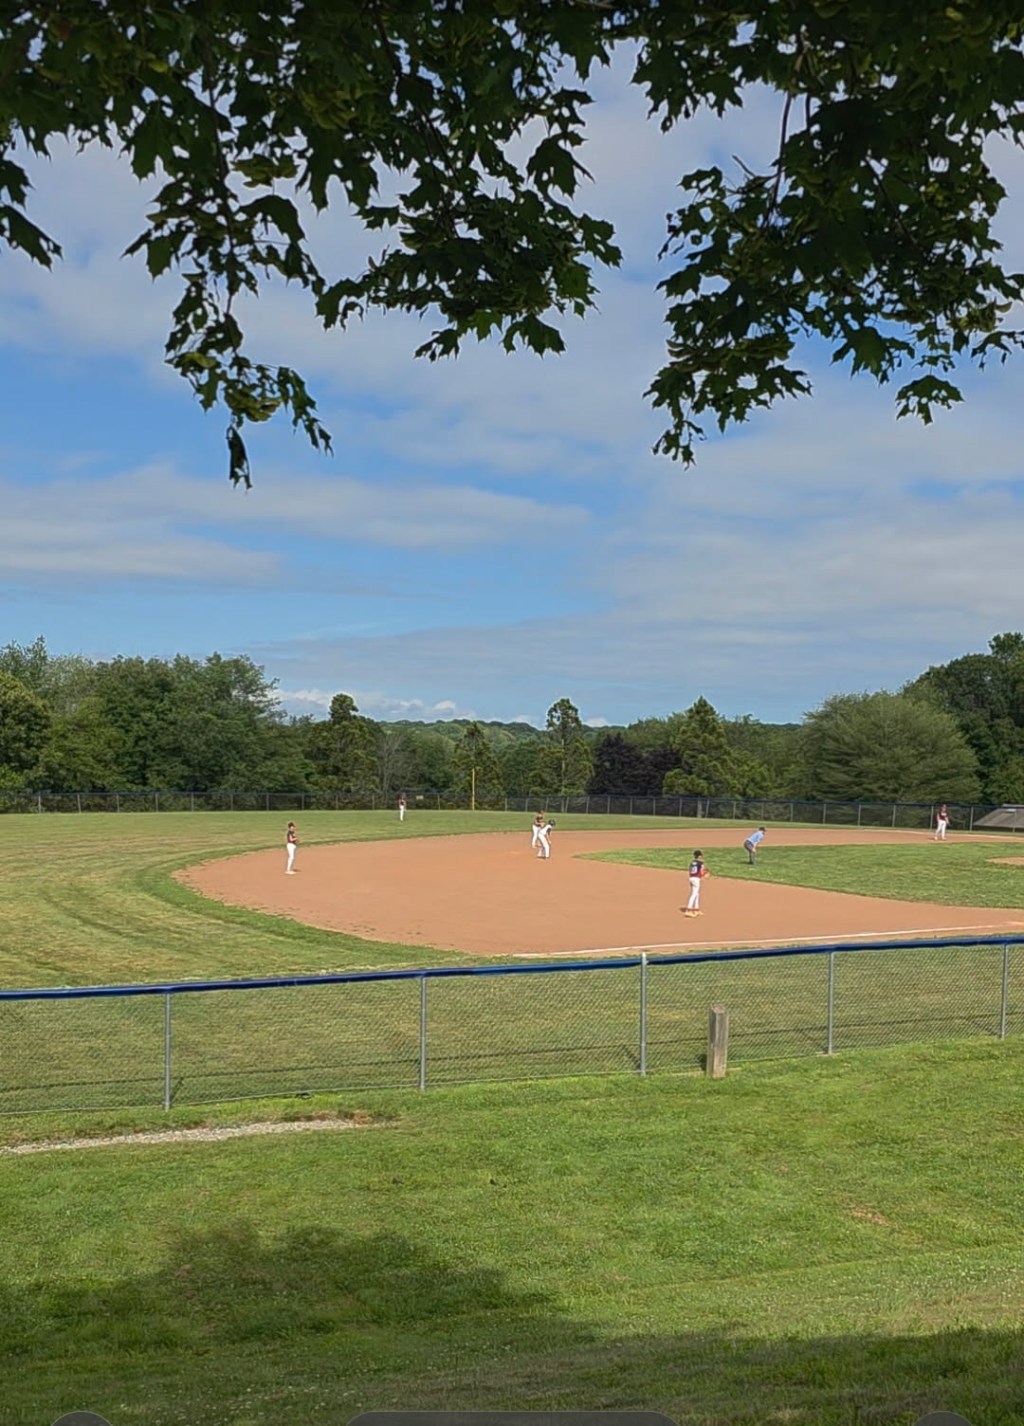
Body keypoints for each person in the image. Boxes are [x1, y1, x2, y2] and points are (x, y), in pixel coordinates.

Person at [684, 849, 708, 916]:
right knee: (694, 894)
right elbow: (702, 871)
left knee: (696, 893)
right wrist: (705, 875)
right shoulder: (701, 863)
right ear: (699, 856)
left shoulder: (692, 863)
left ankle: (696, 909)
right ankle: (688, 910)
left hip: (691, 878)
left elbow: (690, 870)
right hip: (696, 879)